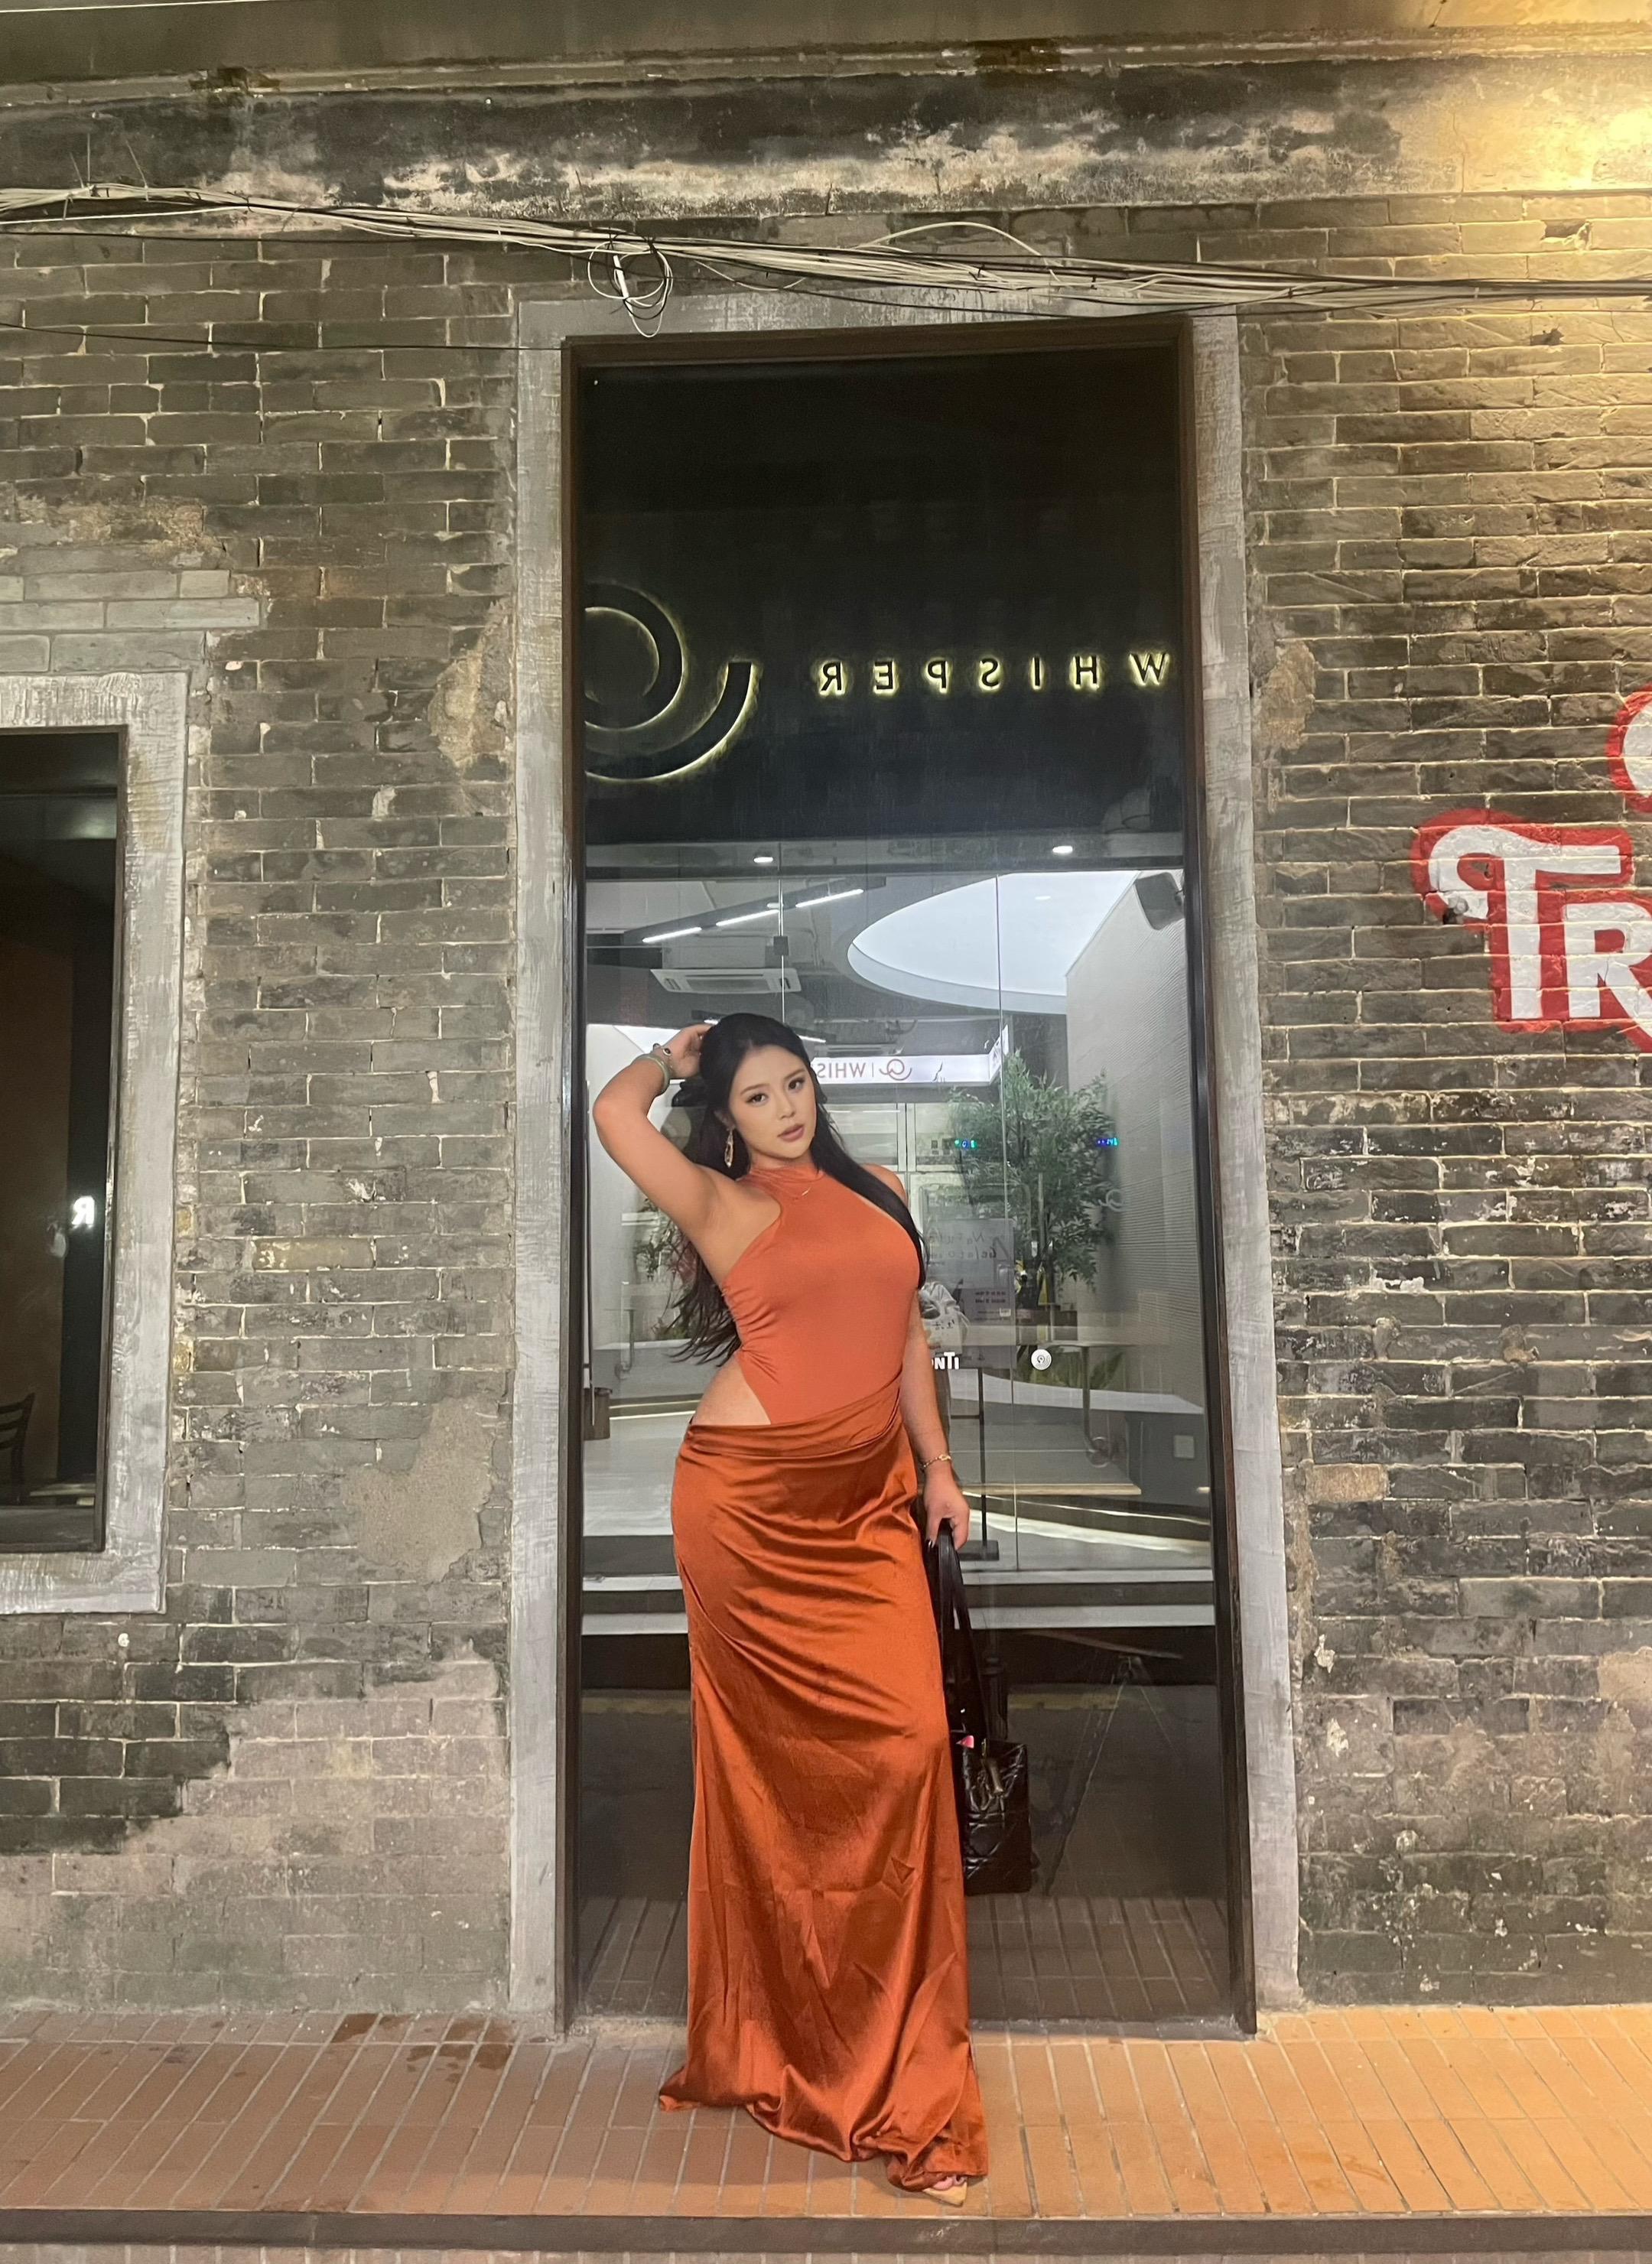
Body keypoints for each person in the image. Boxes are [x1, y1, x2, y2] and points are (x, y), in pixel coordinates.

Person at [591, 1012, 988, 2204]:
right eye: (758, 1096)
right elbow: (613, 1117)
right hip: (751, 1510)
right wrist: (671, 1059)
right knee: (776, 1777)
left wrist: (939, 1470)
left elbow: (904, 1337)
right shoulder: (723, 1205)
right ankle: (792, 2037)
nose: (786, 1108)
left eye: (796, 1084)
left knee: (911, 1747)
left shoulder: (878, 1190)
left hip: (867, 1507)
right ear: (726, 1119)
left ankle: (896, 2059)